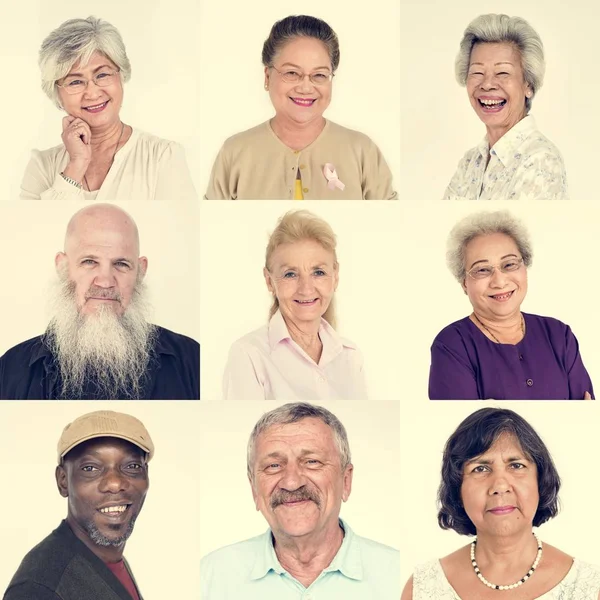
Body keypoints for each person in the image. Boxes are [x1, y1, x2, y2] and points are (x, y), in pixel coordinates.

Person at [0, 204, 199, 399]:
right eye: (89, 262)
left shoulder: (191, 359)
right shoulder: (10, 369)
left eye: (121, 264)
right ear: (63, 267)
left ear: (140, 271)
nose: (105, 282)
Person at [201, 402, 399, 598]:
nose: (292, 482)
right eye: (274, 465)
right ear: (254, 488)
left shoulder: (397, 577)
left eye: (312, 462)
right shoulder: (211, 577)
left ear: (345, 481)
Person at [402, 407, 600, 599]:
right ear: (457, 488)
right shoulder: (421, 589)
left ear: (540, 480)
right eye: (480, 469)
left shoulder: (589, 587)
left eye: (516, 465)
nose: (500, 485)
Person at [205, 15, 396, 200]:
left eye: (319, 75)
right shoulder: (235, 151)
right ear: (267, 76)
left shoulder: (362, 151)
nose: (305, 87)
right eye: (292, 73)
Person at [21, 16, 196, 201]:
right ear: (57, 94)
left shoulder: (162, 156)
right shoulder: (42, 166)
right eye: (75, 81)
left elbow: (177, 228)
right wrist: (76, 165)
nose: (92, 92)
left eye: (102, 74)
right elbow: (42, 229)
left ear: (121, 77)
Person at [429, 210, 593, 399]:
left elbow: (585, 414)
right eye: (482, 270)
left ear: (525, 268)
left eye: (509, 265)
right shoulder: (452, 345)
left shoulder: (558, 335)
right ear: (464, 282)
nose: (499, 281)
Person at [4, 410, 153, 600]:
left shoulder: (108, 559)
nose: (115, 483)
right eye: (90, 468)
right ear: (63, 481)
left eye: (132, 466)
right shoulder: (39, 589)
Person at [222, 210, 367, 400]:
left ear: (336, 276)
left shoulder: (351, 356)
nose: (306, 289)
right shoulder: (248, 355)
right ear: (269, 280)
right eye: (290, 274)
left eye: (319, 272)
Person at [443, 14, 567, 200]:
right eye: (477, 72)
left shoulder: (540, 160)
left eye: (502, 72)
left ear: (528, 85)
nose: (487, 84)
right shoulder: (470, 161)